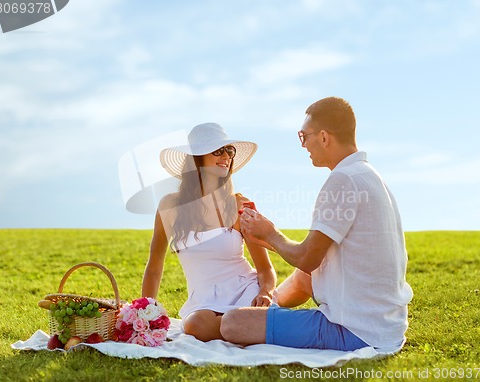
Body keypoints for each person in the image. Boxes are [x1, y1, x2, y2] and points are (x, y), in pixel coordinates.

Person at [220, 97, 414, 353]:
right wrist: (265, 240)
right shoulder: (367, 174)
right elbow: (311, 266)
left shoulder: (343, 180)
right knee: (306, 278)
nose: (304, 144)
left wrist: (270, 233)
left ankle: (262, 316)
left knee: (232, 323)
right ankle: (270, 306)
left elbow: (307, 257)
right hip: (383, 325)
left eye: (304, 136)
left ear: (324, 137)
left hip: (354, 332)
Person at [141, 122, 277, 342]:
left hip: (246, 293)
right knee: (195, 325)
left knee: (240, 317)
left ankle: (250, 326)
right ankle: (252, 330)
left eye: (229, 151)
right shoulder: (170, 206)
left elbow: (265, 269)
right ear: (197, 158)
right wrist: (144, 312)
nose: (226, 156)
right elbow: (155, 266)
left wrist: (265, 292)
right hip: (203, 304)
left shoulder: (239, 205)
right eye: (217, 151)